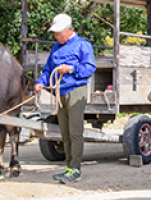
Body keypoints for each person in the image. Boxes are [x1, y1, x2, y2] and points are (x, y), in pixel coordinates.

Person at [34, 14, 96, 184]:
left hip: (77, 90)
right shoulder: (55, 48)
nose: (56, 36)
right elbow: (48, 70)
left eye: (59, 33)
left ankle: (75, 169)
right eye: (55, 33)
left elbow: (89, 68)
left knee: (75, 131)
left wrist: (70, 69)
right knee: (65, 132)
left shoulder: (83, 45)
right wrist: (41, 83)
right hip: (60, 93)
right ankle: (69, 166)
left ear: (69, 30)